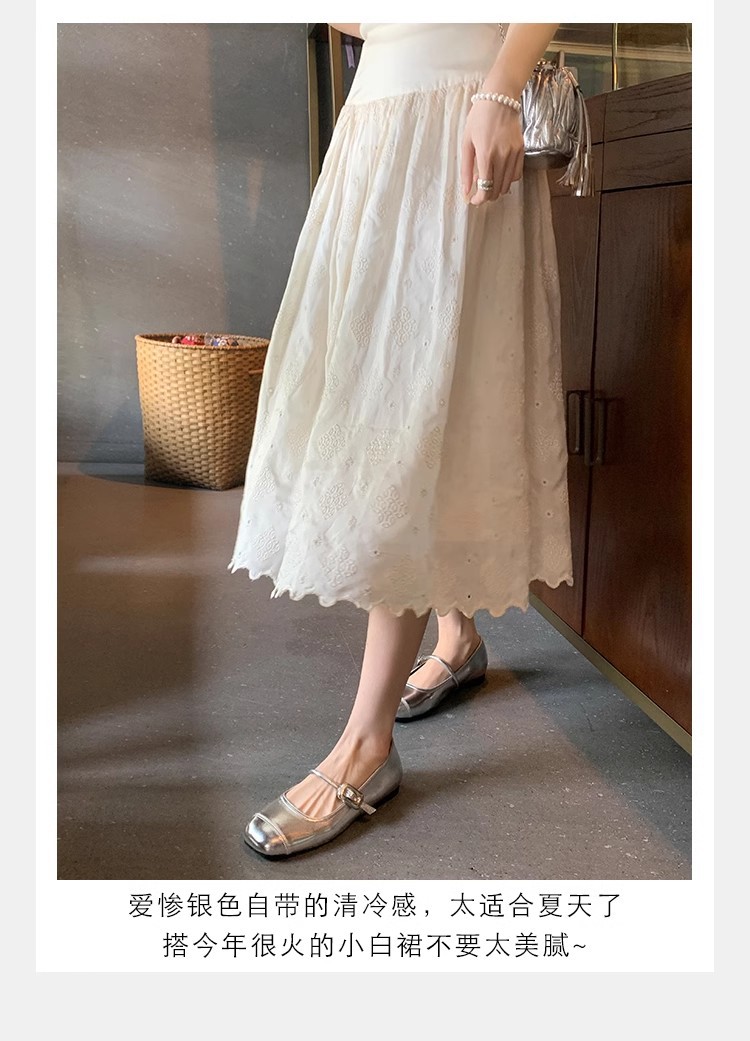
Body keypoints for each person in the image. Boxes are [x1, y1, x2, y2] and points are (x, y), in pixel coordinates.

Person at [228, 22, 573, 857]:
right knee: (399, 400)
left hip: (461, 111)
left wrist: (501, 87)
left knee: (415, 411)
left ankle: (366, 745)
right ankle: (456, 637)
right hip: (377, 122)